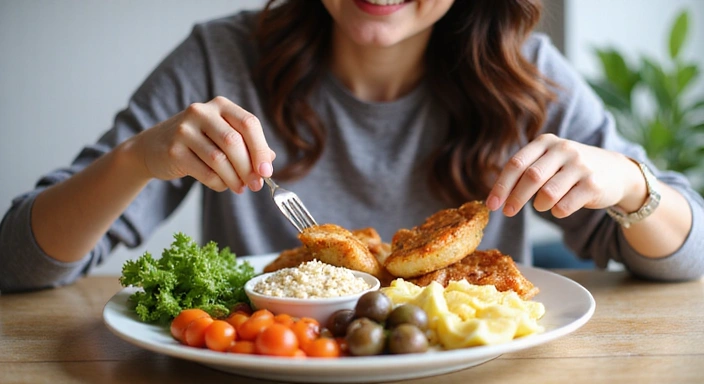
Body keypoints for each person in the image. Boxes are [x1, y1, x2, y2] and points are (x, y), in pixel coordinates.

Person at [1, 0, 702, 293]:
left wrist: (632, 183)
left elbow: (689, 259)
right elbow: (18, 262)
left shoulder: (531, 78)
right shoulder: (221, 59)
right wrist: (135, 160)